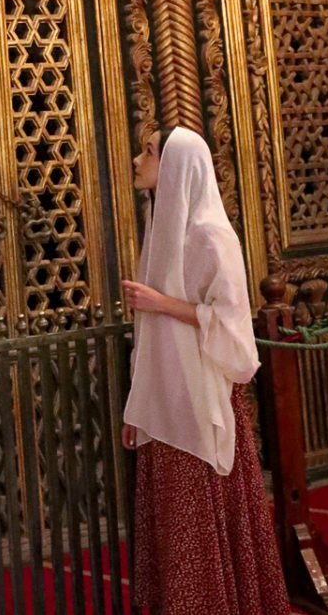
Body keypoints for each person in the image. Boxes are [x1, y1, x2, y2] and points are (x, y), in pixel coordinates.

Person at [120, 126, 289, 615]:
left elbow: (235, 331)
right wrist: (138, 405)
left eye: (149, 151)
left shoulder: (210, 235)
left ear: (176, 165)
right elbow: (148, 336)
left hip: (200, 400)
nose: (137, 159)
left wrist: (162, 303)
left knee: (198, 522)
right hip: (165, 400)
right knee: (173, 526)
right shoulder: (161, 231)